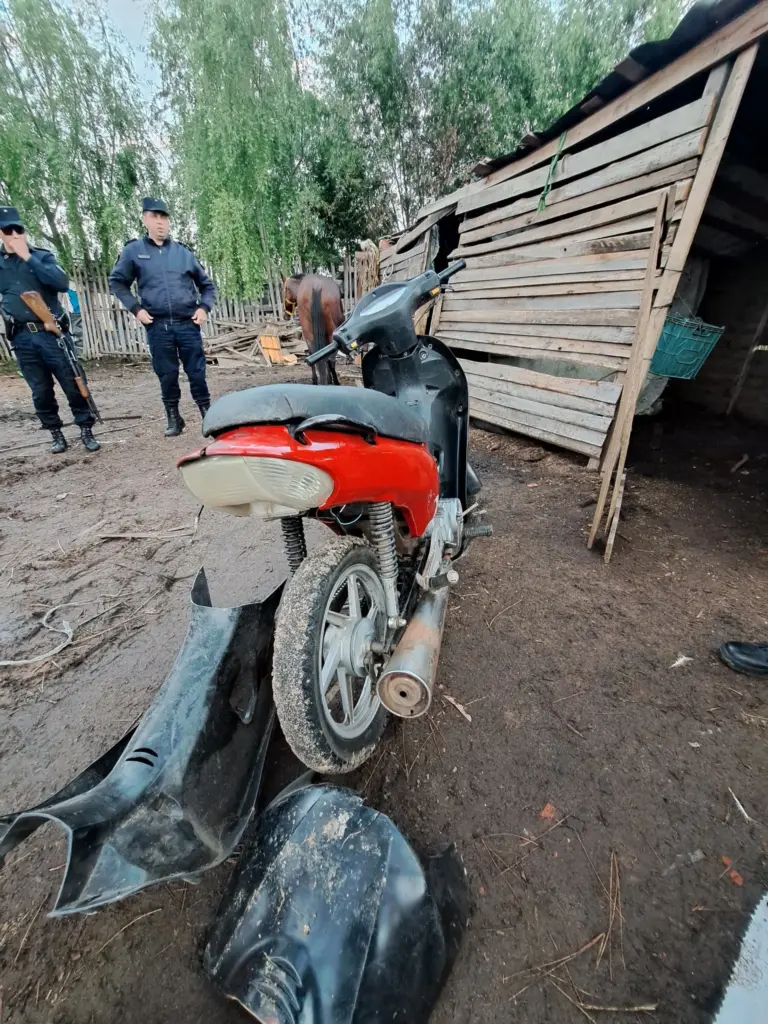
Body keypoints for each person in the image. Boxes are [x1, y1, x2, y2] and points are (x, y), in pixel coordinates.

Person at [109, 198, 216, 437]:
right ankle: (173, 417)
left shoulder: (183, 253)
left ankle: (207, 414)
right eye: (154, 217)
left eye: (164, 217)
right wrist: (136, 308)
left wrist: (204, 308)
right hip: (158, 326)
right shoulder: (133, 251)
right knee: (166, 374)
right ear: (145, 219)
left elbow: (207, 286)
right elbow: (117, 282)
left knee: (196, 372)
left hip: (188, 324)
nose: (160, 222)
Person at [0, 206, 100, 453]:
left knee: (73, 383)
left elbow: (61, 283)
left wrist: (28, 257)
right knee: (40, 390)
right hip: (22, 337)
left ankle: (86, 429)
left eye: (17, 229)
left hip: (52, 334)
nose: (13, 234)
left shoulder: (41, 257)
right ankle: (55, 433)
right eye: (7, 230)